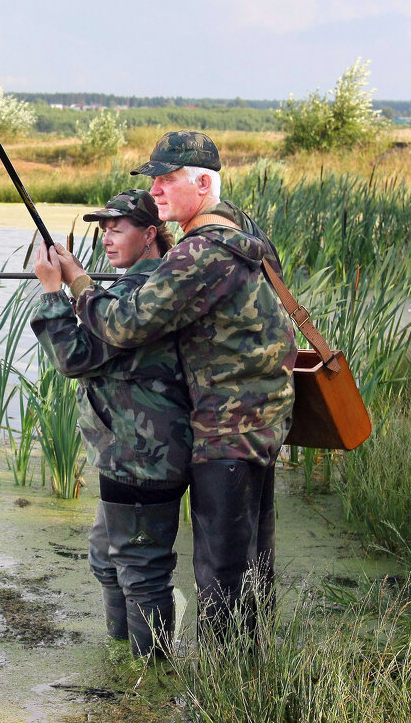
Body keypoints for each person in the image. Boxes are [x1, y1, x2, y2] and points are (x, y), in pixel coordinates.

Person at [47, 131, 297, 642]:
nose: (156, 189)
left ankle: (227, 697)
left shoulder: (203, 252)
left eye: (168, 180)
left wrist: (74, 284)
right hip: (255, 424)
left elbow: (123, 325)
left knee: (223, 579)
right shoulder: (237, 231)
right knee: (246, 569)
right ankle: (245, 683)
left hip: (228, 429)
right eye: (153, 180)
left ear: (203, 183)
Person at [31, 189, 191, 658]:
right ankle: (121, 656)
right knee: (106, 559)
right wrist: (77, 283)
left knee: (141, 570)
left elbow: (74, 357)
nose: (107, 238)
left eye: (117, 228)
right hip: (123, 452)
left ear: (150, 233)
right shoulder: (131, 288)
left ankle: (150, 676)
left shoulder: (143, 294)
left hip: (146, 455)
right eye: (102, 229)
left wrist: (51, 291)